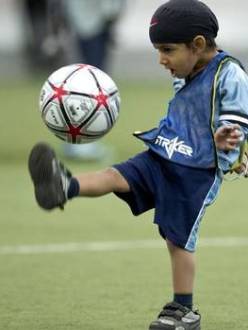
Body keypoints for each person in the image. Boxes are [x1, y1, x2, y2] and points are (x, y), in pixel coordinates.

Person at [28, 0, 248, 329]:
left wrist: (225, 141)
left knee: (178, 240)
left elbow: (235, 124)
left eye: (167, 50)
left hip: (195, 171)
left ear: (198, 45)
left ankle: (184, 310)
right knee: (115, 175)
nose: (161, 60)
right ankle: (63, 186)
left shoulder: (230, 74)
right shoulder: (186, 69)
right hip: (164, 152)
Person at [61, 0, 126, 160]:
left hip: (99, 19)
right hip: (88, 19)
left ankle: (78, 140)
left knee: (94, 81)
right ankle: (80, 142)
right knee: (89, 83)